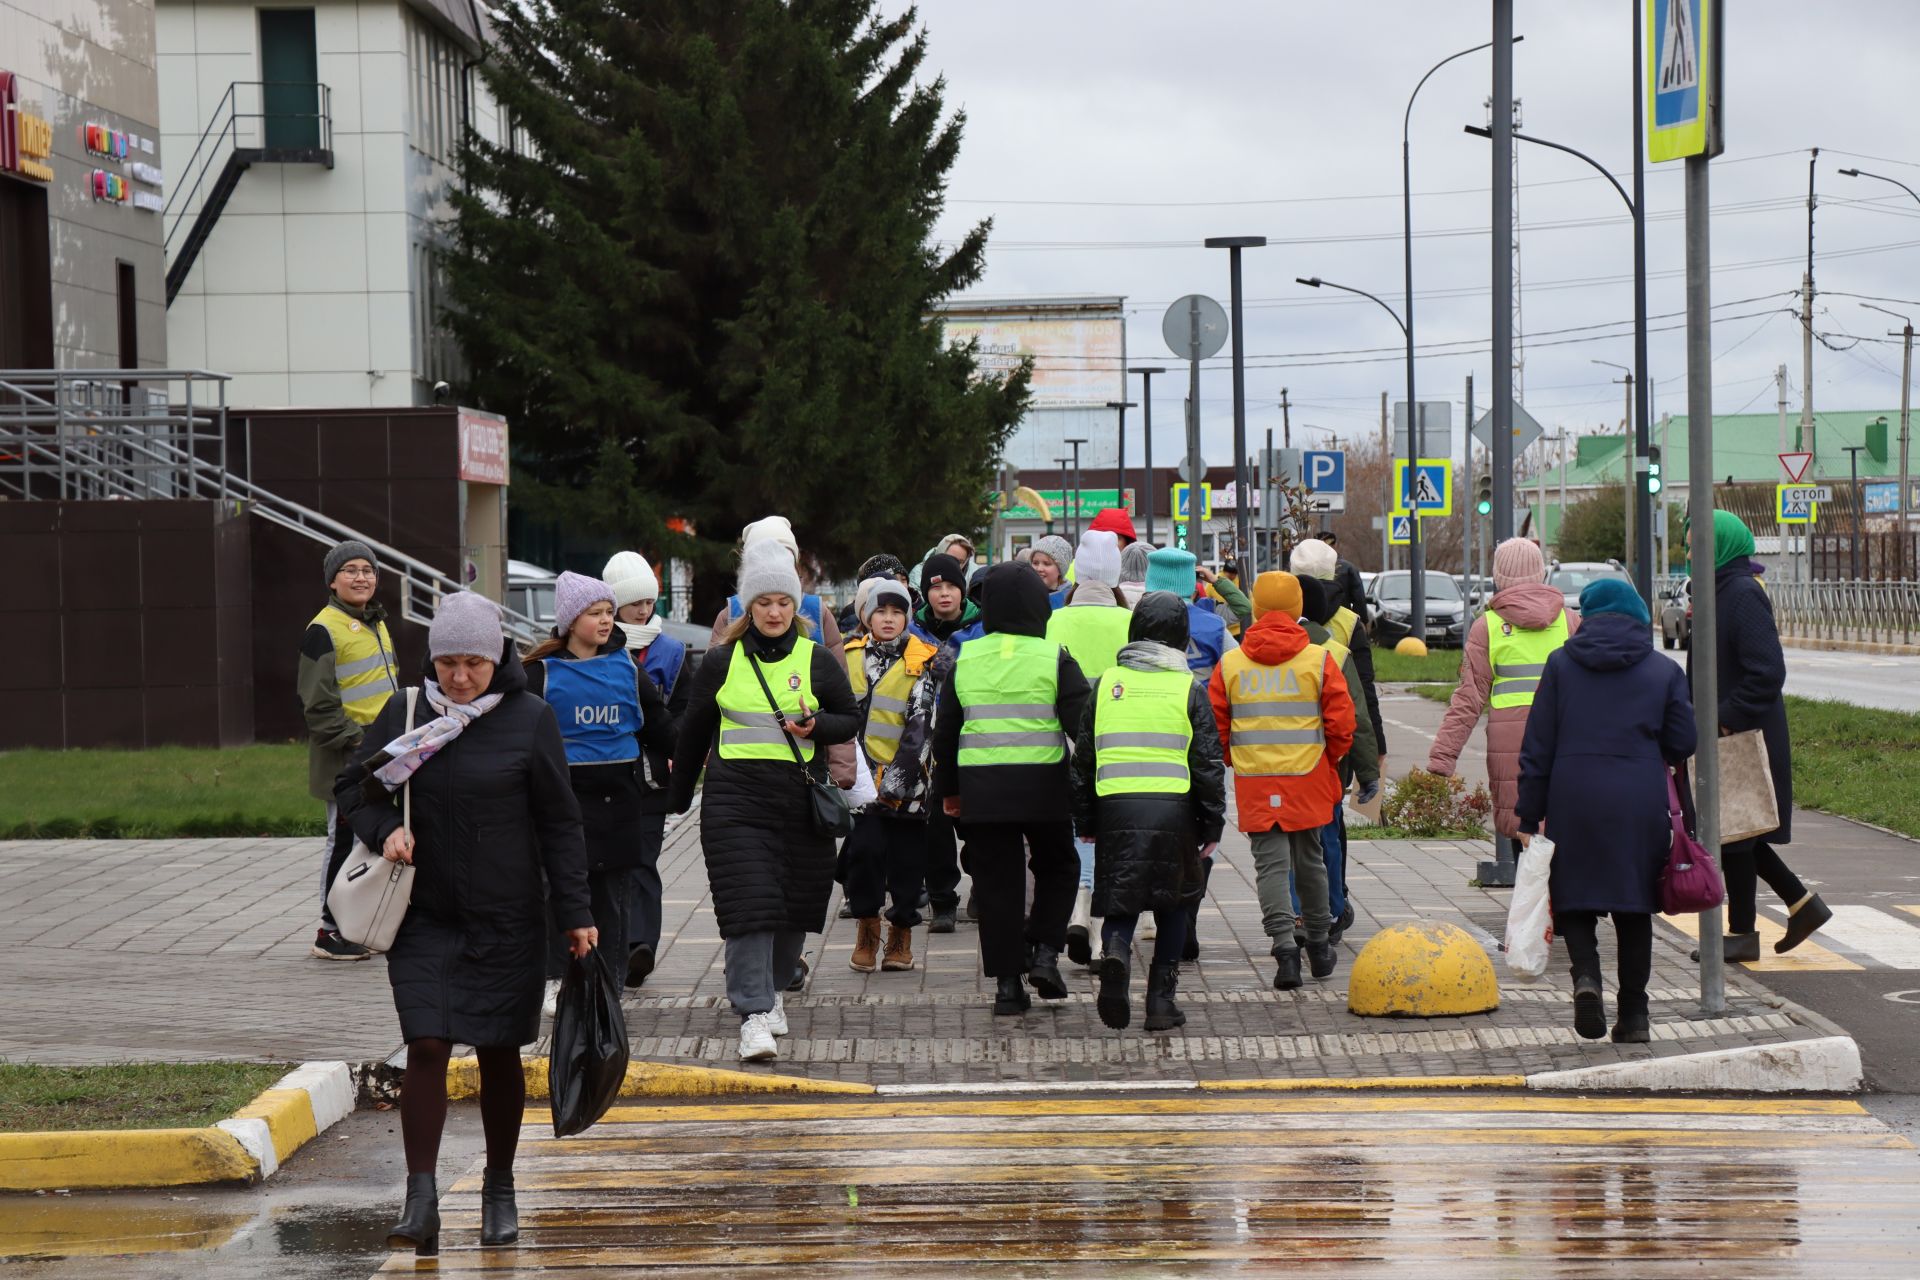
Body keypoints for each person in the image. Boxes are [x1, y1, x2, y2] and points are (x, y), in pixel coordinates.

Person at [336, 591, 593, 1256]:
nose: (458, 677)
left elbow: (560, 823)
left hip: (507, 921)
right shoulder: (409, 711)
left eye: (472, 663)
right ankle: (420, 1201)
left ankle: (499, 1189)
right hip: (425, 920)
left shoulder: (529, 719)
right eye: (447, 662)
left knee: (499, 1054)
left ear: (497, 656)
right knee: (426, 1046)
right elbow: (354, 791)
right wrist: (387, 826)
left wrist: (576, 914)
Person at [668, 541, 859, 1061]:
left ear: (796, 606)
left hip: (800, 804)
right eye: (763, 603)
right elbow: (693, 735)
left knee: (794, 905)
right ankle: (753, 1013)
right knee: (749, 906)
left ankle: (774, 991)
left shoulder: (816, 659)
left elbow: (850, 717)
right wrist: (679, 796)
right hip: (736, 802)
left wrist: (817, 725)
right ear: (747, 608)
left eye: (783, 602)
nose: (774, 612)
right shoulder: (722, 662)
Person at [1516, 579, 1698, 1042]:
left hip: (1573, 798)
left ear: (1587, 618)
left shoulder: (1560, 665)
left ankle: (1587, 980)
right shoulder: (1663, 671)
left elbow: (1537, 747)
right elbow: (1683, 743)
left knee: (1575, 898)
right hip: (1640, 801)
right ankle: (1635, 1017)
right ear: (1640, 618)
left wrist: (1527, 817)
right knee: (1635, 907)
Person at [932, 562, 1091, 1015]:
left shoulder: (966, 659)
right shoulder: (1053, 657)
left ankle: (1007, 987)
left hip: (982, 791)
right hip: (1044, 788)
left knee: (997, 884)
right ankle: (1043, 951)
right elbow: (1083, 727)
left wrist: (949, 791)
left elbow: (946, 734)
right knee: (1060, 867)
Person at [1070, 591, 1226, 1031]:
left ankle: (1116, 955)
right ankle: (1161, 1002)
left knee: (1121, 899)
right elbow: (1208, 763)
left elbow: (1083, 761)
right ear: (1181, 636)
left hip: (1116, 809)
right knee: (1174, 906)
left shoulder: (1105, 685)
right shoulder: (1188, 687)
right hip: (1175, 811)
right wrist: (1212, 821)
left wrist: (1084, 819)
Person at [523, 572, 675, 1014]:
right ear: (571, 621)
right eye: (596, 613)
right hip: (562, 799)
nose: (607, 620)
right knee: (559, 893)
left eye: (610, 612)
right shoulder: (539, 673)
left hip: (619, 800)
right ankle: (555, 979)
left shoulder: (628, 667)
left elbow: (660, 725)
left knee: (612, 898)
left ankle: (607, 982)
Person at [1210, 571, 1355, 990]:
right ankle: (1319, 947)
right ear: (1297, 610)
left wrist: (1235, 759)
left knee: (1269, 865)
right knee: (1310, 860)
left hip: (1256, 780)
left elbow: (1217, 726)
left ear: (1255, 609)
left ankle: (1284, 951)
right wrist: (1330, 758)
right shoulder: (1318, 659)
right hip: (1308, 775)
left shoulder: (1232, 663)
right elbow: (1342, 724)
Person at [1704, 510, 1830, 958]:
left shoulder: (1739, 593)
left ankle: (1748, 931)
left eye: (1693, 540)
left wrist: (1724, 717)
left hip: (1744, 733)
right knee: (1735, 835)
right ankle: (1796, 907)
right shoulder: (1717, 590)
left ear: (1718, 544)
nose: (1686, 551)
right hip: (1730, 732)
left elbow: (1768, 670)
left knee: (1736, 834)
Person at [1428, 538, 1577, 860]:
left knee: (1523, 830)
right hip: (1565, 741)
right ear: (1541, 573)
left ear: (1498, 576)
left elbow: (1469, 697)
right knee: (1566, 828)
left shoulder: (1489, 627)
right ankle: (1566, 906)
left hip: (1512, 747)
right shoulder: (1570, 622)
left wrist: (1444, 755)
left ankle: (1531, 905)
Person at [301, 539, 398, 962]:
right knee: (341, 839)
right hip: (350, 758)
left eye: (368, 570)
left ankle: (361, 922)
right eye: (351, 570)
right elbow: (318, 704)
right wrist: (360, 744)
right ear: (332, 580)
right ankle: (329, 929)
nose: (362, 577)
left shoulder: (375, 622)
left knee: (374, 838)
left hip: (384, 755)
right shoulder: (323, 628)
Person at [842, 578, 942, 971]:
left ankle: (900, 933)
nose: (888, 619)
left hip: (908, 787)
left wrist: (894, 786)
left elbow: (921, 729)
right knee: (864, 855)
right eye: (880, 611)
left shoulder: (924, 660)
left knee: (906, 863)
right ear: (866, 616)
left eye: (897, 612)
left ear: (907, 617)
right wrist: (859, 780)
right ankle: (867, 926)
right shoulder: (848, 656)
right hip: (861, 784)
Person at [1046, 530, 1134, 965]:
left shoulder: (1054, 621)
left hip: (1065, 740)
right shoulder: (1129, 621)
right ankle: (1101, 929)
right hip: (1120, 740)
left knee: (1079, 826)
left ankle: (1079, 910)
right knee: (1112, 831)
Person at [601, 551, 686, 988]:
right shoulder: (597, 648)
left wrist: (673, 742)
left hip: (653, 776)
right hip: (605, 774)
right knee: (611, 863)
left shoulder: (671, 650)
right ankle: (613, 945)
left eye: (649, 601)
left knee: (644, 860)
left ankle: (641, 947)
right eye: (633, 602)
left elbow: (687, 707)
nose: (642, 609)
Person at [1297, 574, 1381, 946]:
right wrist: (1368, 773)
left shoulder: (1253, 652)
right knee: (1327, 836)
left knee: (1285, 845)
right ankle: (1331, 909)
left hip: (1270, 768)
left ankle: (1294, 914)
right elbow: (1358, 719)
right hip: (1326, 767)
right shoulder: (1335, 653)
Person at [913, 552, 986, 933]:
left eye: (951, 586)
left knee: (977, 823)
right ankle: (942, 900)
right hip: (926, 745)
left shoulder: (983, 629)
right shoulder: (912, 632)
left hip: (973, 739)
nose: (944, 594)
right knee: (935, 826)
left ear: (962, 590)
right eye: (935, 587)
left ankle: (982, 890)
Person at [1291, 537, 1387, 766]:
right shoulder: (1349, 622)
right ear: (1333, 571)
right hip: (1336, 737)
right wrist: (1376, 744)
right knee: (1332, 796)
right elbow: (1363, 688)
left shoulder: (1278, 616)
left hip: (1283, 735)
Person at [708, 515, 847, 666]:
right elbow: (712, 678)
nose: (774, 612)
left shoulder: (817, 612)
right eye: (763, 603)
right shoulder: (731, 614)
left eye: (783, 557)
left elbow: (838, 680)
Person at [1144, 547, 1236, 680]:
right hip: (1201, 698)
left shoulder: (1136, 621)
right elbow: (1236, 669)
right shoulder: (1214, 625)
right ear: (1190, 584)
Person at [835, 552, 913, 636]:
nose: (899, 585)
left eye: (903, 579)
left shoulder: (915, 639)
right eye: (880, 611)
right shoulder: (851, 623)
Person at [1199, 561, 1252, 636]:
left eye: (1234, 574)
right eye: (1230, 574)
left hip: (1238, 629)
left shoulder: (1241, 581)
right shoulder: (1213, 582)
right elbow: (1204, 599)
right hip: (1222, 628)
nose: (1232, 576)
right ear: (1224, 571)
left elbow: (1249, 603)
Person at [1029, 533, 1073, 604]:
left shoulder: (1069, 600)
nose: (1039, 569)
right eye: (1035, 563)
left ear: (1060, 569)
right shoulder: (1024, 595)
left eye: (1047, 564)